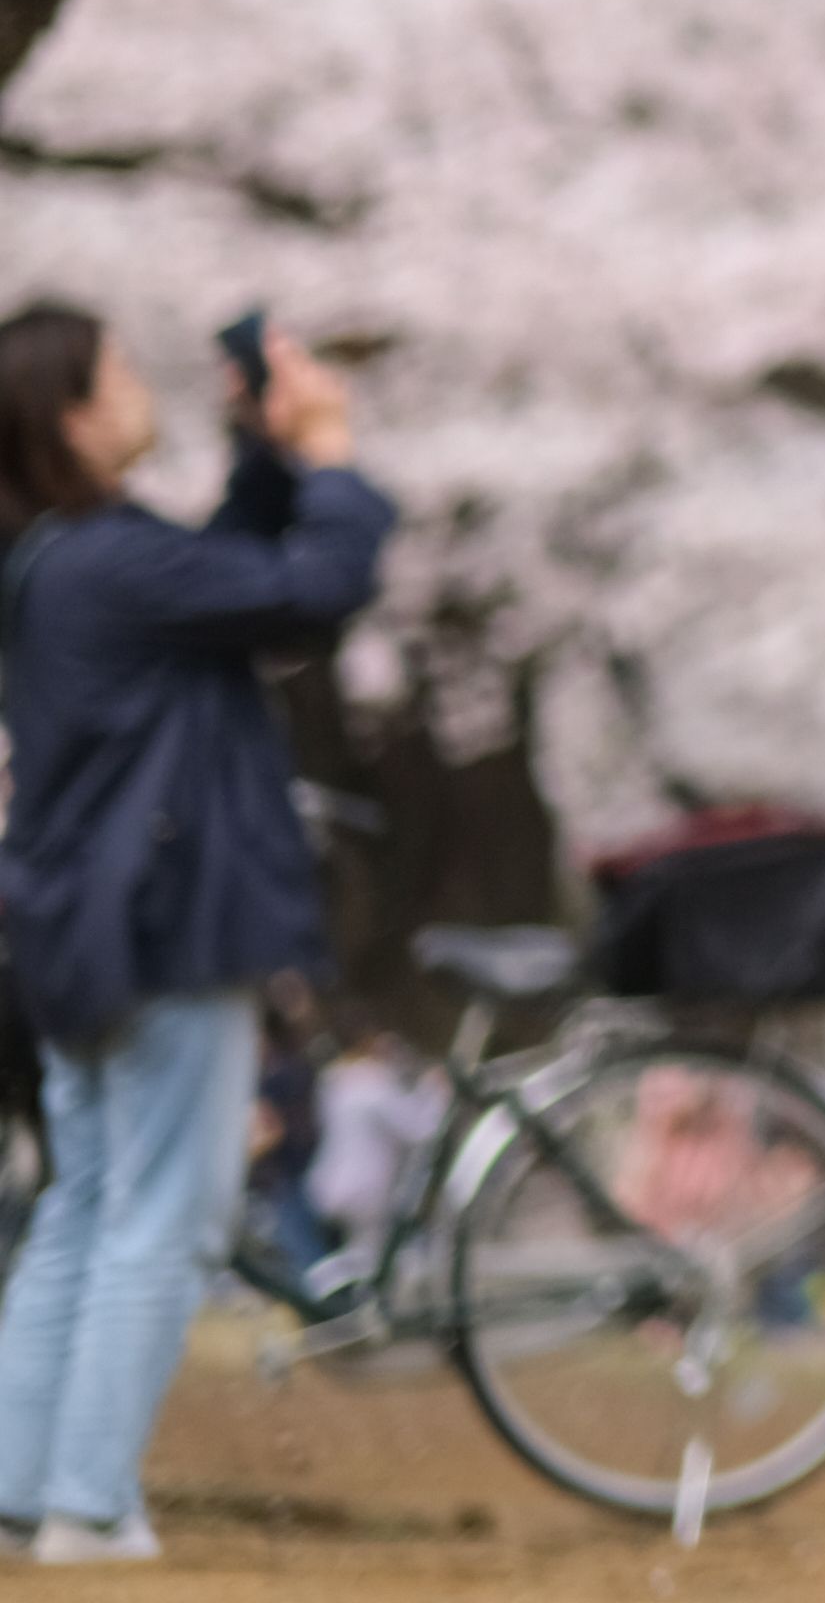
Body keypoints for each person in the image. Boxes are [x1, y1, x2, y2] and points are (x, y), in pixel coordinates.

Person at [0, 311, 390, 1564]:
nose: (134, 385)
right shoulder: (111, 562)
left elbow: (219, 574)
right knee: (160, 1215)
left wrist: (257, 449)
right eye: (112, 373)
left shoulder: (54, 559)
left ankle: (24, 1484)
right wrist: (329, 455)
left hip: (78, 926)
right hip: (168, 926)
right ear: (71, 415)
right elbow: (309, 590)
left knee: (87, 1205)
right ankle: (91, 1502)